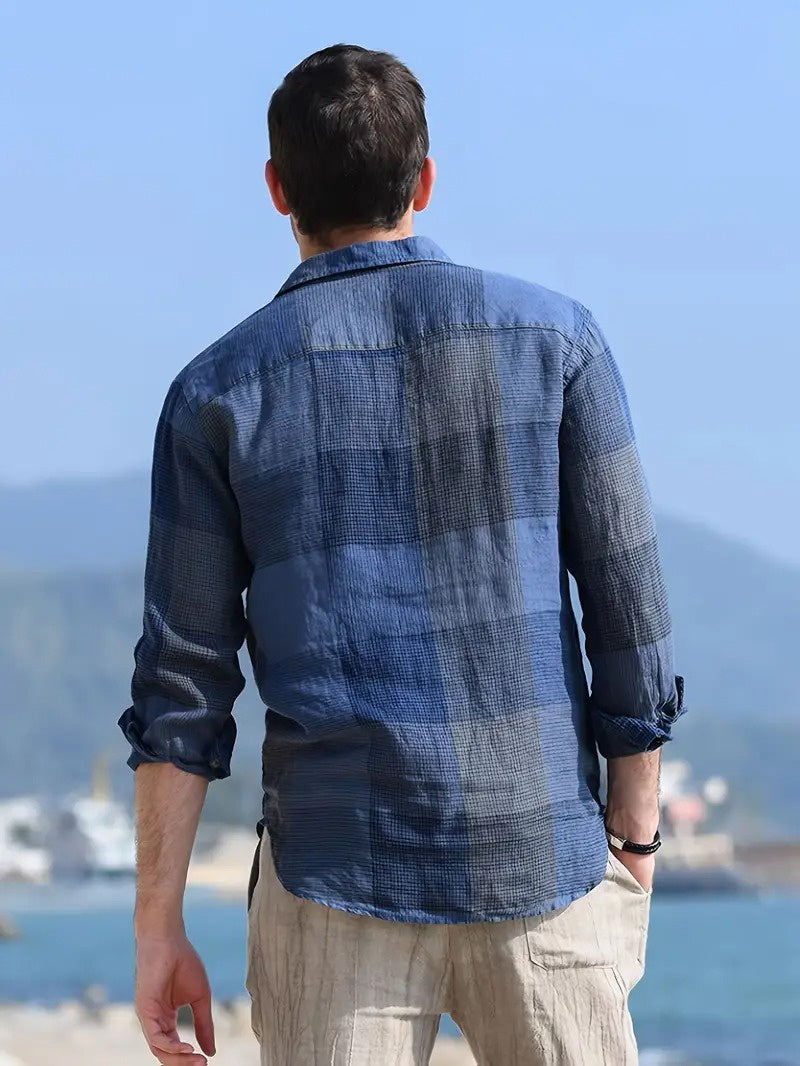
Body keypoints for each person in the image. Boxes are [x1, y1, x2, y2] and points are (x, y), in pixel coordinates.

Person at [120, 43, 686, 1066]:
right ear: (423, 180)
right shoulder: (559, 342)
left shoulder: (215, 393)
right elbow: (629, 614)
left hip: (333, 876)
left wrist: (157, 926)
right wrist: (634, 836)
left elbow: (183, 684)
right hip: (542, 862)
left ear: (276, 189)